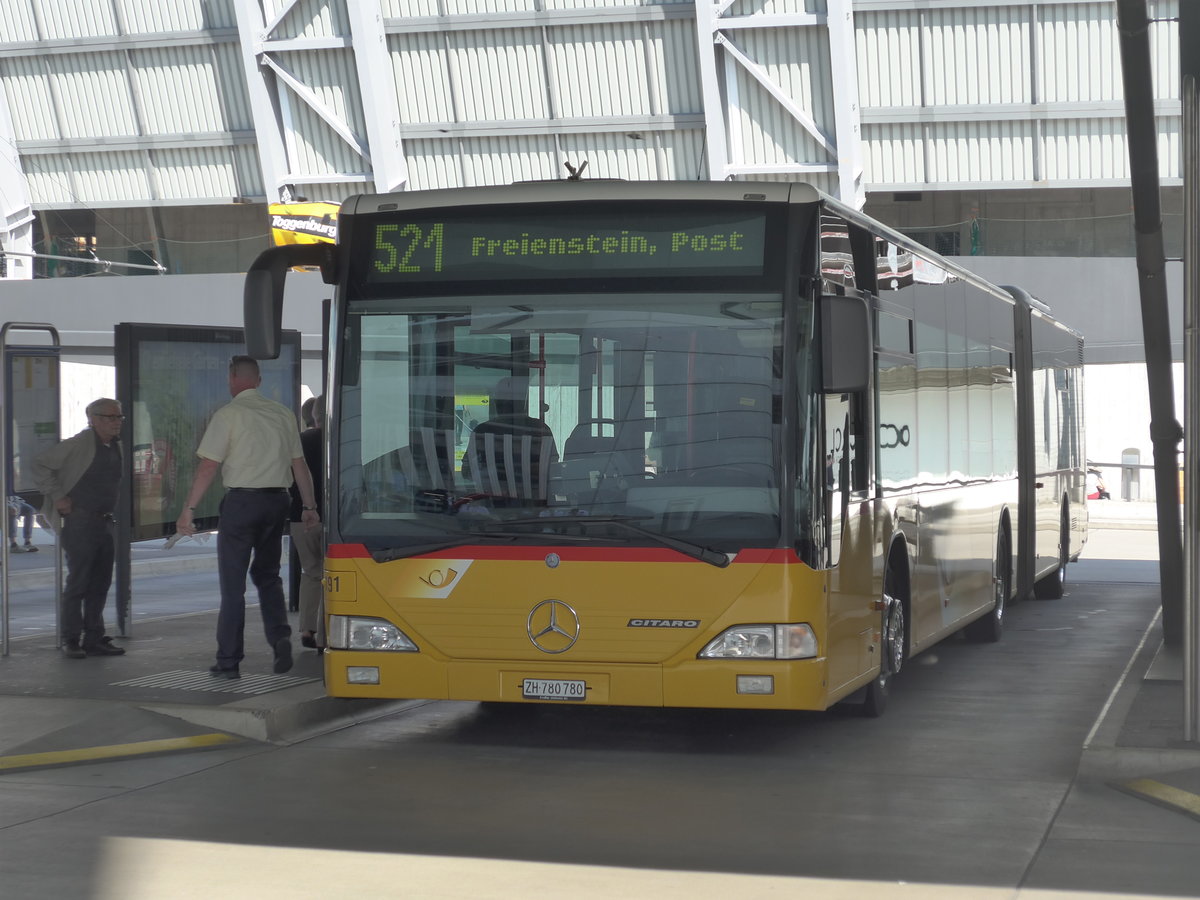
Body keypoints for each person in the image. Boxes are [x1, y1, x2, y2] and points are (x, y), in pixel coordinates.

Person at [175, 356, 319, 680]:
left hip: (242, 503)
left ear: (231, 378)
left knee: (233, 587)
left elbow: (208, 466)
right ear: (258, 380)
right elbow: (299, 467)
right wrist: (308, 507)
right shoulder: (283, 414)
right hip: (277, 502)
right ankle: (280, 637)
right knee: (268, 576)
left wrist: (189, 509)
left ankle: (228, 661)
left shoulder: (229, 415)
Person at [31, 398, 126, 659]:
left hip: (105, 521)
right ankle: (70, 639)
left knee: (100, 583)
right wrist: (57, 495)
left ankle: (94, 637)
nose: (116, 422)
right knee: (79, 582)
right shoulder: (78, 445)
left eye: (119, 417)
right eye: (110, 417)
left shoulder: (116, 446)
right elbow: (39, 463)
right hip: (80, 521)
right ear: (93, 419)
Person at [462, 376, 558, 500]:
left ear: (496, 402)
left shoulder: (482, 431)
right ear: (523, 402)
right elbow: (554, 468)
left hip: (491, 504)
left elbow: (467, 471)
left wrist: (490, 473)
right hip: (537, 504)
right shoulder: (541, 429)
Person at [290, 394, 325, 651]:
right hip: (330, 518)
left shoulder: (298, 442)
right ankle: (326, 632)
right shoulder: (339, 442)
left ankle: (306, 628)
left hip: (298, 518)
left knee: (311, 572)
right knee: (334, 576)